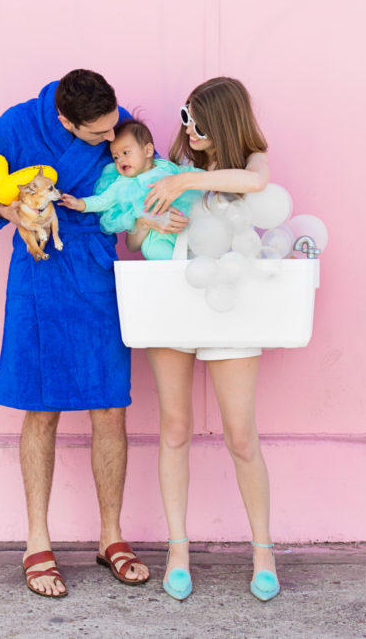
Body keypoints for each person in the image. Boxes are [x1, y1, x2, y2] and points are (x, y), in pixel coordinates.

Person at [0, 70, 150, 598]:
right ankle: (37, 541)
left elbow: (148, 174)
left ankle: (111, 536)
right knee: (40, 409)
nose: (111, 141)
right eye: (98, 135)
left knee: (111, 406)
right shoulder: (18, 124)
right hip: (40, 272)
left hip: (94, 268)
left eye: (114, 128)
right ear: (66, 120)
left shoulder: (117, 126)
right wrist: (11, 212)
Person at [126, 76, 280, 602]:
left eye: (198, 120)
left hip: (232, 308)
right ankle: (178, 550)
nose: (188, 129)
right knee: (173, 427)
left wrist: (187, 184)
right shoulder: (170, 171)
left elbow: (255, 185)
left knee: (241, 435)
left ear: (224, 121)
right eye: (185, 117)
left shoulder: (249, 160)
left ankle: (263, 553)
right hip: (174, 301)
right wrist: (151, 220)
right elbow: (135, 237)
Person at [60, 118, 201, 260]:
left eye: (126, 153)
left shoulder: (165, 166)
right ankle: (181, 272)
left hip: (186, 223)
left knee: (203, 230)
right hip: (158, 235)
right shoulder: (122, 183)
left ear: (148, 150)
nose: (120, 160)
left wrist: (205, 176)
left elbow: (186, 175)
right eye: (115, 157)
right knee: (151, 249)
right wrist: (80, 204)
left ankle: (198, 261)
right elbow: (103, 200)